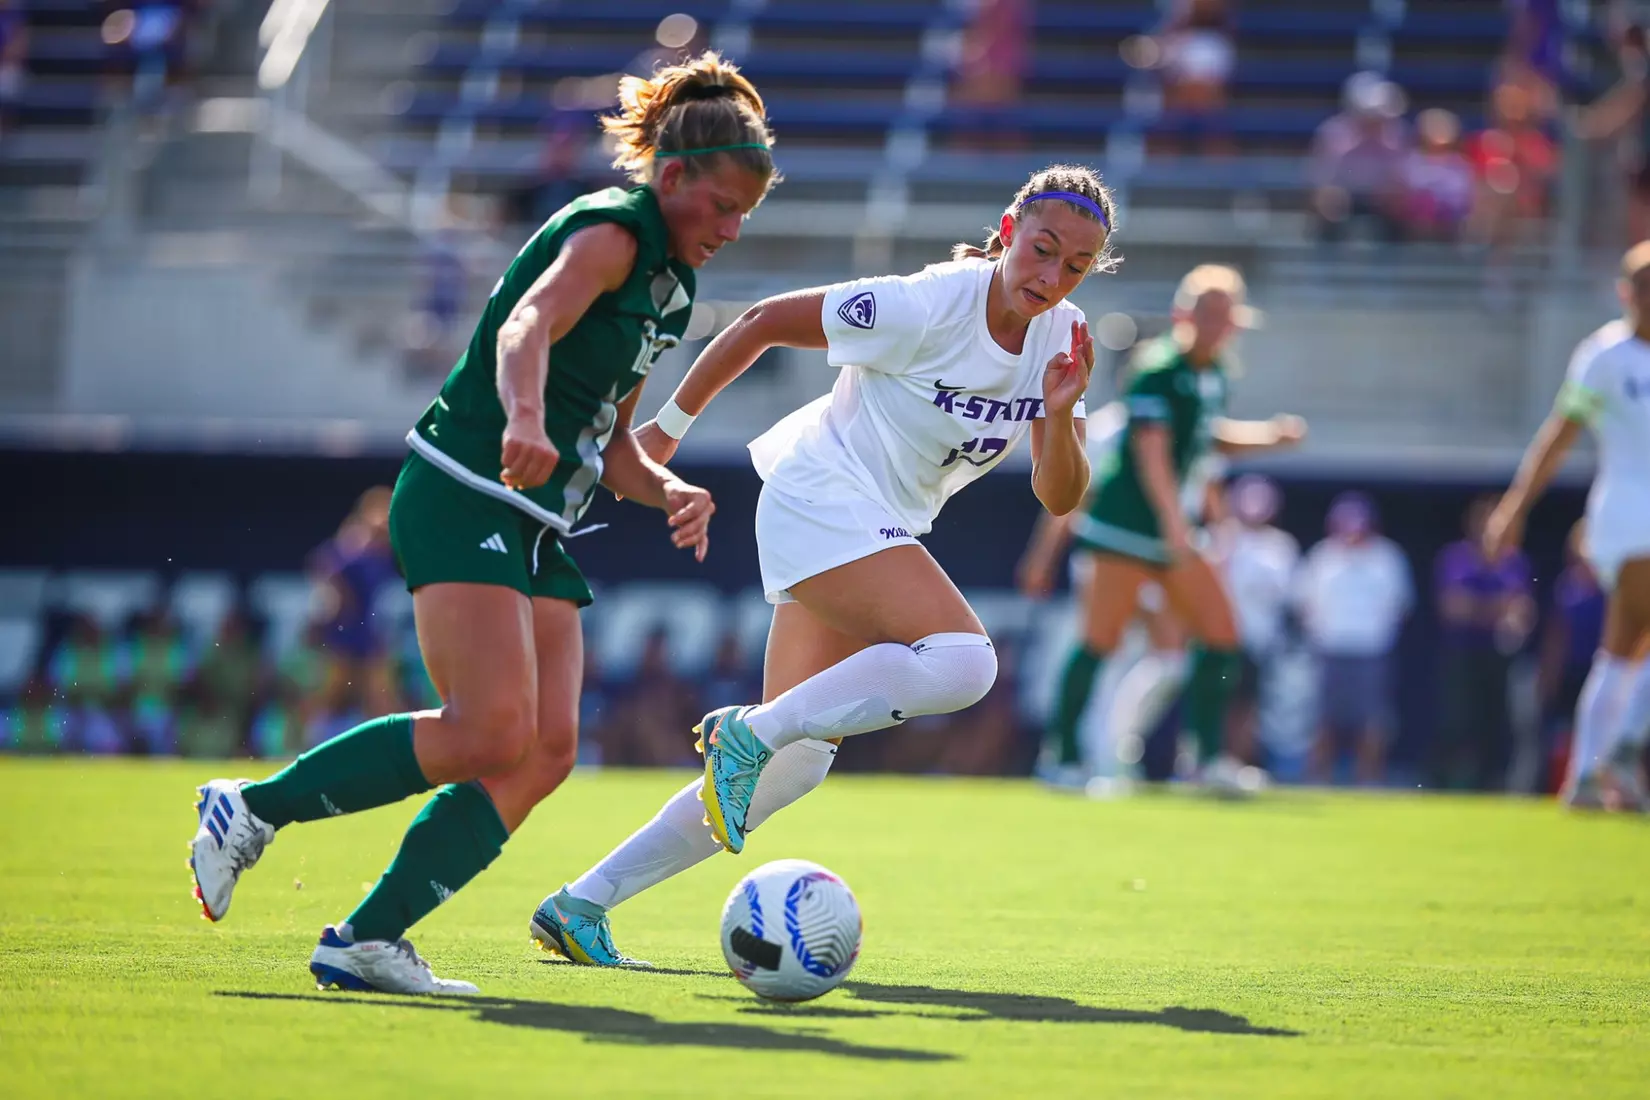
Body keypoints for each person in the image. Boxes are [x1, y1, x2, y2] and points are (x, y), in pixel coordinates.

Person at [187, 51, 776, 994]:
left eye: (746, 211)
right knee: (489, 729)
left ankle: (367, 939)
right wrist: (526, 418)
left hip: (536, 521)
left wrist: (665, 487)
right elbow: (524, 328)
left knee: (543, 752)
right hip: (468, 487)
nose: (733, 228)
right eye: (721, 205)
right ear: (671, 177)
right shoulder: (613, 232)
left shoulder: (673, 286)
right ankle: (253, 809)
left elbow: (610, 438)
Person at [529, 163, 1116, 966]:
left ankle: (581, 905)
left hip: (868, 524)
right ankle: (747, 732)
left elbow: (1059, 494)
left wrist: (1059, 413)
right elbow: (762, 321)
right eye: (1042, 250)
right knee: (965, 662)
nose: (1052, 276)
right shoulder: (926, 303)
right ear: (1008, 232)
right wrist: (665, 431)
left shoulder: (1063, 336)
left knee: (793, 768)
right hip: (820, 497)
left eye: (1075, 265)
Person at [1036, 265, 1305, 799]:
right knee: (1099, 640)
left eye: (1225, 315)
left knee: (1222, 634)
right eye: (1207, 312)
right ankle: (1061, 756)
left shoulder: (1215, 373)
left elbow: (1205, 438)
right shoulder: (1158, 368)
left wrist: (1269, 438)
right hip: (1127, 528)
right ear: (1184, 314)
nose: (1216, 324)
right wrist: (1175, 524)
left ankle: (1205, 760)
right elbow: (1151, 451)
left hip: (1170, 530)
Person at [1485, 240, 1650, 811]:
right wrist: (1515, 506)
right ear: (1625, 293)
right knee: (1628, 642)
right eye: (1644, 287)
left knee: (1624, 649)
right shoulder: (1604, 355)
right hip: (1629, 513)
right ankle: (1620, 752)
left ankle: (1588, 771)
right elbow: (1558, 435)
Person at [1294, 492, 1413, 786]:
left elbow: (1401, 606)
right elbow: (1303, 604)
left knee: (1373, 720)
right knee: (1323, 718)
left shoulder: (1388, 557)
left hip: (1372, 651)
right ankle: (1318, 780)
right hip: (1330, 650)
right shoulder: (1322, 556)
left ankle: (1368, 780)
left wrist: (1376, 633)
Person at [1429, 494, 1535, 791]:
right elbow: (1452, 607)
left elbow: (1523, 612)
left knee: (1498, 723)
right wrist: (1498, 607)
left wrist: (1481, 607)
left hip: (1500, 657)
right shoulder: (1455, 557)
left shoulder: (1515, 561)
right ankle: (1450, 785)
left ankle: (1492, 785)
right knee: (1459, 721)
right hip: (1462, 655)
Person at [1214, 473, 1300, 771]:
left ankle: (1237, 764)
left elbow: (1286, 594)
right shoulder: (1221, 537)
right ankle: (1203, 764)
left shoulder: (1281, 546)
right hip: (1218, 637)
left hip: (1258, 640)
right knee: (1213, 702)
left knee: (1247, 706)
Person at [1537, 520, 1607, 792]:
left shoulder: (1611, 585)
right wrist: (1548, 677)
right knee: (1564, 735)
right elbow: (1556, 636)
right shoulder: (1566, 586)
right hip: (1570, 675)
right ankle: (1570, 784)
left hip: (1600, 673)